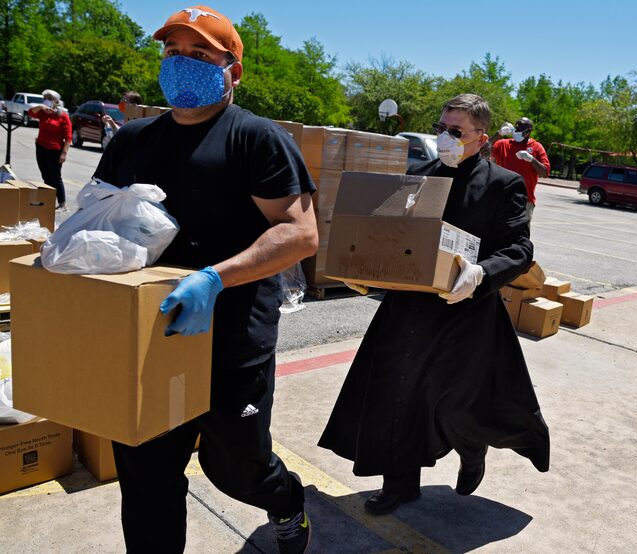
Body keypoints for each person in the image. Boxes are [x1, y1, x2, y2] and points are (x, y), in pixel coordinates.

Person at [92, 6, 318, 553]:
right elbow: (95, 221)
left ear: (232, 71)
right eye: (172, 53)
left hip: (231, 339)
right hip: (149, 336)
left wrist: (215, 278)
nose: (181, 64)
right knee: (146, 477)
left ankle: (286, 502)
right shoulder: (132, 141)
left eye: (199, 55)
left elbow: (299, 234)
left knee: (236, 469)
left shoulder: (257, 140)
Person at [319, 94, 550, 515]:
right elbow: (395, 239)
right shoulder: (419, 174)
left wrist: (481, 274)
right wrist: (366, 275)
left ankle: (472, 448)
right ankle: (401, 485)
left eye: (456, 132)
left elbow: (520, 249)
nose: (445, 137)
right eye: (441, 128)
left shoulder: (502, 184)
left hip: (467, 310)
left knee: (456, 402)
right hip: (409, 310)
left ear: (481, 138)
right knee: (397, 396)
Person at [490, 117, 550, 221]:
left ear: (528, 131)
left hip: (524, 201)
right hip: (499, 197)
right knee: (493, 232)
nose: (516, 131)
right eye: (515, 128)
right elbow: (482, 149)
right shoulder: (503, 144)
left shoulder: (536, 147)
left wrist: (531, 159)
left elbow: (545, 172)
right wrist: (498, 134)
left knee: (518, 234)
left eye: (520, 128)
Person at [28, 89, 71, 211]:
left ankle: (62, 204)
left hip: (55, 150)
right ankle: (47, 201)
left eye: (49, 98)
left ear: (56, 101)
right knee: (45, 176)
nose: (46, 100)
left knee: (55, 177)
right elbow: (30, 113)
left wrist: (64, 153)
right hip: (41, 147)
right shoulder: (43, 112)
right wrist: (41, 106)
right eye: (45, 98)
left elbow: (68, 137)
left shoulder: (63, 116)